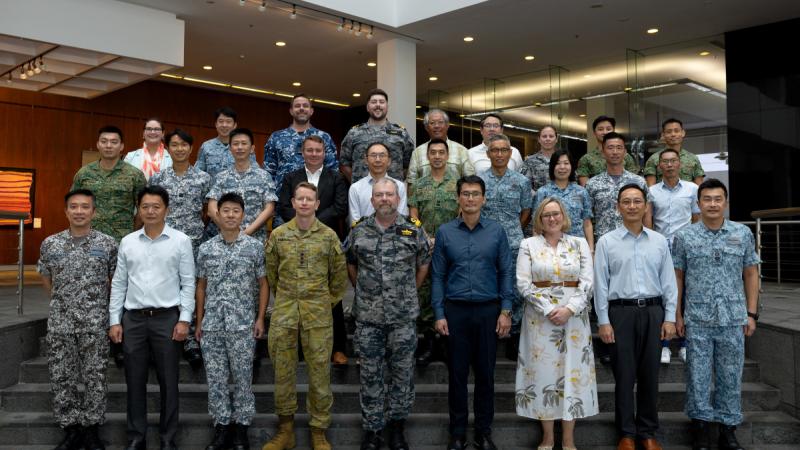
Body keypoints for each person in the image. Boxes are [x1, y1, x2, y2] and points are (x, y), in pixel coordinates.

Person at [672, 179, 759, 450]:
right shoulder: (685, 236)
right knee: (697, 375)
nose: (712, 204)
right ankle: (699, 429)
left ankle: (727, 430)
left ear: (726, 202)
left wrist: (751, 313)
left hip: (733, 317)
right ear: (698, 203)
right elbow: (677, 277)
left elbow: (751, 273)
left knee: (731, 375)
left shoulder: (742, 233)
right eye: (707, 199)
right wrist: (677, 314)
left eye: (717, 198)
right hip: (697, 317)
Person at [345, 178, 431, 450]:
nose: (384, 199)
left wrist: (406, 293)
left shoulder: (413, 230)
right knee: (370, 374)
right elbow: (351, 265)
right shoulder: (359, 231)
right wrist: (365, 292)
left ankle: (397, 427)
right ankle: (372, 430)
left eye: (389, 195)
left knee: (402, 374)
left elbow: (423, 265)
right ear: (371, 201)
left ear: (398, 199)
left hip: (403, 318)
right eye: (379, 195)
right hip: (368, 318)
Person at [108, 185, 196, 450]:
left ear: (166, 209)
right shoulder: (128, 242)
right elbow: (119, 283)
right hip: (133, 320)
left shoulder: (181, 241)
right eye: (145, 206)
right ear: (139, 209)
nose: (150, 211)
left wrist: (184, 319)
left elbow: (189, 283)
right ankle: (137, 437)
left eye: (156, 206)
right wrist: (114, 320)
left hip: (167, 319)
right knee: (134, 381)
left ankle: (168, 438)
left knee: (169, 381)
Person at [262, 182, 348, 450]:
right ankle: (285, 431)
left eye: (309, 199)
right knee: (283, 374)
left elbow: (339, 279)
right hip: (285, 314)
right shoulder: (278, 235)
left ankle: (318, 431)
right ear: (293, 201)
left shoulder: (329, 237)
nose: (304, 203)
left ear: (317, 203)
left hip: (318, 316)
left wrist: (321, 302)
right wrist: (289, 298)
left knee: (320, 375)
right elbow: (272, 275)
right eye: (300, 199)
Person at [431, 175, 513, 450]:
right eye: (465, 193)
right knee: (456, 375)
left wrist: (506, 310)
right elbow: (438, 276)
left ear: (484, 198)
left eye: (475, 194)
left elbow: (506, 272)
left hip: (489, 311)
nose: (470, 198)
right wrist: (439, 312)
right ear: (458, 197)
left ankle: (483, 432)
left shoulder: (496, 231)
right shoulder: (445, 232)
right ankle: (457, 433)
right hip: (455, 312)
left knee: (486, 375)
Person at [594, 183, 677, 450]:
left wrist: (670, 318)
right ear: (618, 207)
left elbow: (668, 282)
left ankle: (648, 433)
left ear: (645, 206)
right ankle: (626, 434)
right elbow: (600, 285)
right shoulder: (607, 242)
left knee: (650, 375)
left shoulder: (659, 241)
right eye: (626, 202)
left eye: (637, 201)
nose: (632, 206)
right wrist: (603, 321)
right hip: (621, 314)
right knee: (625, 376)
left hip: (654, 312)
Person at [515, 197, 597, 450]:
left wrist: (570, 308)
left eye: (556, 214)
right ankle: (548, 437)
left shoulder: (579, 243)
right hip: (540, 319)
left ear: (564, 216)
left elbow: (588, 281)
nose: (552, 218)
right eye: (546, 214)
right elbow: (523, 283)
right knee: (543, 374)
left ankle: (569, 439)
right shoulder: (528, 244)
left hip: (574, 318)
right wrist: (551, 309)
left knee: (572, 372)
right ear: (539, 219)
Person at [38, 189, 118, 450]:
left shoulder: (107, 244)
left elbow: (115, 281)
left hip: (95, 323)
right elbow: (46, 278)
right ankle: (71, 429)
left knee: (95, 377)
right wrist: (64, 303)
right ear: (66, 211)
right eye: (74, 207)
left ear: (94, 212)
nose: (79, 211)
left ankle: (92, 429)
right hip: (61, 323)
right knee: (62, 377)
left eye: (85, 207)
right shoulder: (50, 243)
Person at [195, 192, 267, 450]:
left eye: (236, 211)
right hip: (213, 325)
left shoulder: (255, 247)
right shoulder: (206, 249)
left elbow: (263, 284)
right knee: (215, 379)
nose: (230, 215)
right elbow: (201, 286)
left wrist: (260, 318)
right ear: (217, 215)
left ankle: (241, 430)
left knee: (242, 379)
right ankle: (222, 427)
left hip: (243, 325)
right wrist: (199, 321)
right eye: (225, 210)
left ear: (243, 215)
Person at [277, 135, 350, 364]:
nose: (314, 153)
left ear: (325, 152)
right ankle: (300, 347)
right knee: (299, 296)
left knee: (332, 293)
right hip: (294, 241)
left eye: (318, 150)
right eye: (309, 150)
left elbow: (340, 206)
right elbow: (284, 205)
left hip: (325, 240)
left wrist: (313, 220)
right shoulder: (291, 177)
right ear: (303, 152)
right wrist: (302, 219)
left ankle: (338, 347)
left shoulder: (336, 177)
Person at [478, 134, 532, 360]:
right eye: (494, 150)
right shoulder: (478, 179)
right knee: (488, 285)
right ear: (488, 153)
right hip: (484, 242)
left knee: (515, 289)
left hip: (513, 242)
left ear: (510, 154)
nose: (499, 154)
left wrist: (512, 229)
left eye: (503, 150)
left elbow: (526, 211)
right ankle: (490, 331)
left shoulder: (521, 181)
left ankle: (514, 334)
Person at [407, 138, 461, 367]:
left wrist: (445, 237)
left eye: (441, 152)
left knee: (450, 290)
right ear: (427, 157)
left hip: (452, 246)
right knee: (426, 293)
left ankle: (447, 343)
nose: (437, 156)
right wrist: (424, 236)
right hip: (425, 246)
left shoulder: (458, 183)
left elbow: (462, 213)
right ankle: (428, 342)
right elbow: (413, 215)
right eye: (433, 153)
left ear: (447, 156)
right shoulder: (418, 184)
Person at [648, 148, 700, 364]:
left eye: (673, 161)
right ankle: (665, 345)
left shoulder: (692, 189)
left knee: (686, 296)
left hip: (685, 248)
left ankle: (686, 343)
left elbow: (697, 219)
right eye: (665, 161)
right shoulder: (652, 191)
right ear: (659, 166)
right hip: (661, 249)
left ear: (680, 164)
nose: (669, 165)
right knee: (664, 296)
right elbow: (649, 221)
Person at [263, 94, 339, 214]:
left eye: (305, 106)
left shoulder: (324, 137)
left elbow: (333, 171)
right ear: (291, 111)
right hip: (283, 205)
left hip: (318, 206)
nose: (302, 108)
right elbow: (268, 174)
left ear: (311, 111)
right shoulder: (276, 137)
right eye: (297, 106)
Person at [72, 125, 147, 242]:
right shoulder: (84, 173)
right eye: (104, 141)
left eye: (114, 142)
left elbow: (143, 209)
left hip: (122, 240)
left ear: (121, 146)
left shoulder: (135, 175)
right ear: (98, 144)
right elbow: (73, 205)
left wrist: (132, 235)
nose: (108, 146)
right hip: (89, 238)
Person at [207, 128, 277, 243]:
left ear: (252, 149)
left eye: (244, 143)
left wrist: (246, 233)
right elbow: (211, 208)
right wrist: (227, 229)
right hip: (225, 240)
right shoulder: (221, 177)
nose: (239, 147)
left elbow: (269, 208)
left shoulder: (264, 176)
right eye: (235, 144)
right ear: (230, 149)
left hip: (254, 241)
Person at [149, 129, 212, 256]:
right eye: (174, 145)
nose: (179, 149)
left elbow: (207, 211)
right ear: (167, 148)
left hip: (193, 241)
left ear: (191, 148)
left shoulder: (204, 178)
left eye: (184, 145)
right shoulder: (157, 178)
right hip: (162, 239)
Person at [585, 132, 652, 242]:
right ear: (603, 152)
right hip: (604, 242)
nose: (615, 152)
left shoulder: (639, 181)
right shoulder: (592, 184)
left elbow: (647, 214)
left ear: (625, 152)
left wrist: (649, 241)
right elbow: (587, 219)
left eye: (619, 148)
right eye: (610, 148)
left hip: (634, 240)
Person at [340, 88, 415, 183]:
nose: (378, 105)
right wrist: (358, 184)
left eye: (382, 102)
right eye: (374, 102)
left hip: (392, 193)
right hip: (361, 193)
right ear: (367, 107)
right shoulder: (354, 133)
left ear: (387, 107)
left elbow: (409, 164)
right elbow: (344, 163)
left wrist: (395, 183)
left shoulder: (401, 133)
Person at [533, 150, 594, 249]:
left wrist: (591, 249)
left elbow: (587, 223)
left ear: (572, 167)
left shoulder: (581, 192)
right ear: (552, 167)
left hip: (577, 246)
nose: (562, 167)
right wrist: (537, 250)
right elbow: (536, 225)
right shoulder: (542, 192)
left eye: (566, 163)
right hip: (550, 247)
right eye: (558, 164)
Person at [406, 109, 474, 188]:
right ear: (426, 127)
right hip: (425, 199)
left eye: (440, 122)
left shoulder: (461, 150)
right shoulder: (417, 152)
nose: (437, 126)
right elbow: (411, 184)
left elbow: (470, 180)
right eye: (432, 123)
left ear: (447, 125)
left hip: (454, 199)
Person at [348, 142, 409, 223]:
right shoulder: (355, 188)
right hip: (364, 234)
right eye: (373, 155)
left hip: (394, 234)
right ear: (366, 160)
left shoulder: (399, 186)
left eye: (382, 155)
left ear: (389, 161)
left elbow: (402, 218)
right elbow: (354, 222)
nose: (377, 159)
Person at [576, 116, 639, 186]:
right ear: (594, 132)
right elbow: (585, 187)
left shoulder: (626, 156)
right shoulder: (586, 159)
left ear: (614, 130)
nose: (605, 132)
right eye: (600, 129)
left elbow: (634, 182)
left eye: (608, 129)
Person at [195, 107, 256, 179]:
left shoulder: (243, 148)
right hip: (213, 189)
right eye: (221, 121)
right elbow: (197, 172)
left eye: (228, 121)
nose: (224, 125)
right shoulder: (206, 146)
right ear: (216, 124)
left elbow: (255, 171)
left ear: (235, 125)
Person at [643, 118, 705, 186]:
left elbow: (700, 188)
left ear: (683, 133)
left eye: (676, 131)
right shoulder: (654, 159)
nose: (673, 134)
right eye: (669, 132)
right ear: (663, 135)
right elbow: (651, 188)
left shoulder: (693, 158)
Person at [519, 125, 559, 196]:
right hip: (539, 204)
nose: (548, 139)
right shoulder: (530, 161)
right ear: (539, 139)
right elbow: (523, 184)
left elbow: (573, 183)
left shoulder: (563, 160)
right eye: (544, 136)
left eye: (551, 136)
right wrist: (538, 196)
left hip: (562, 203)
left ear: (556, 139)